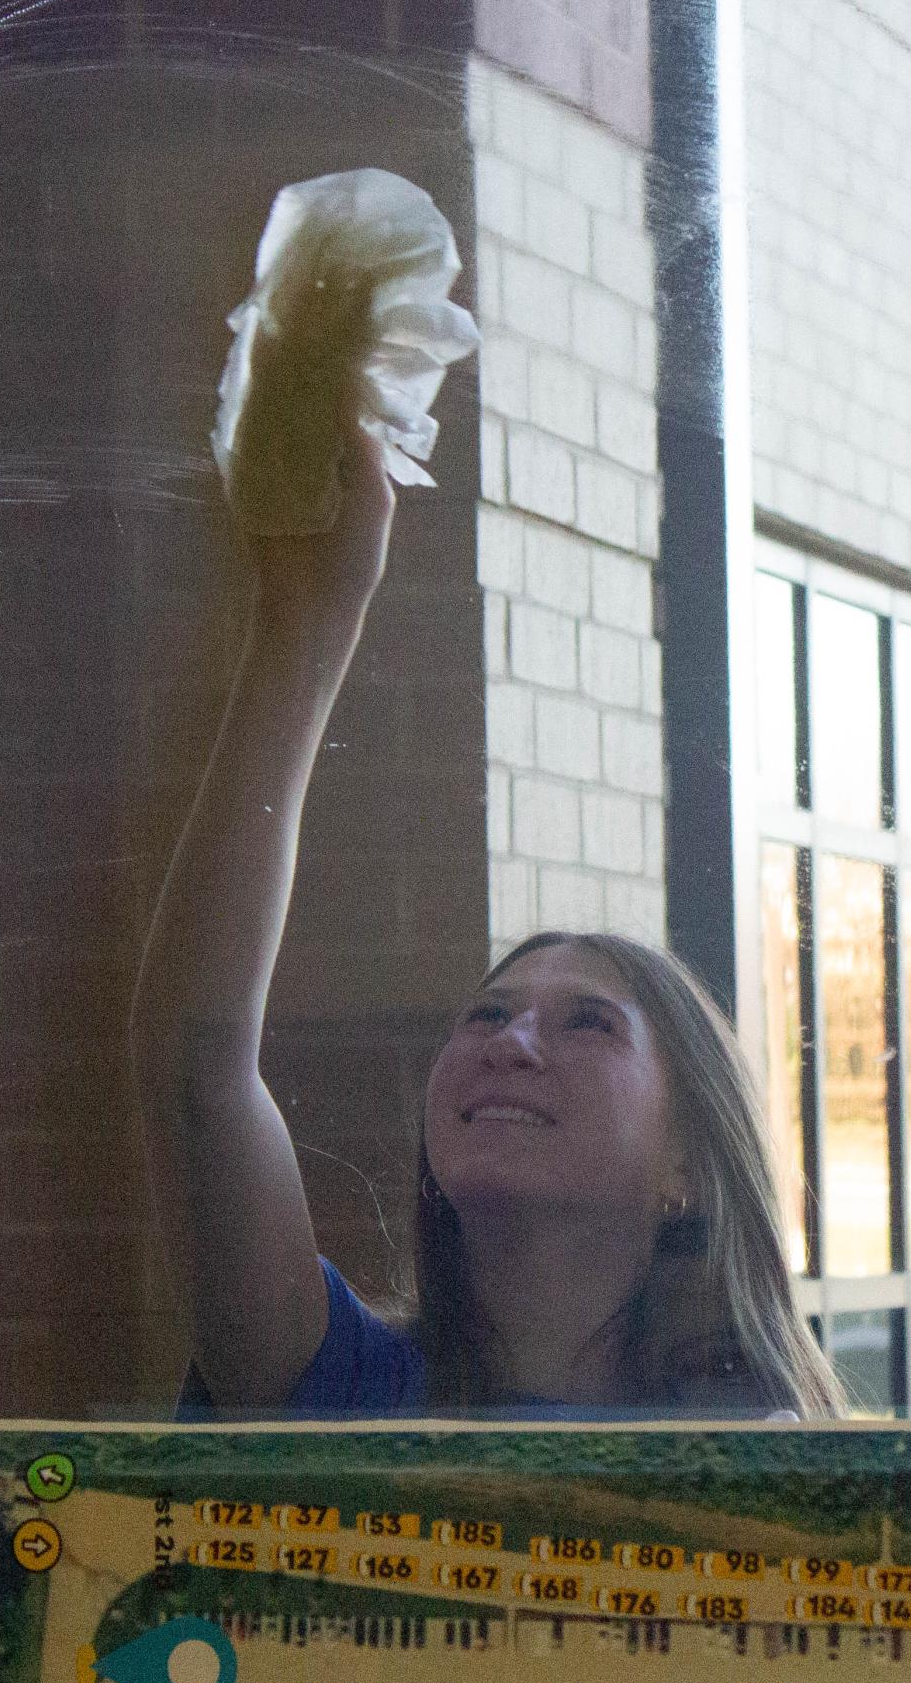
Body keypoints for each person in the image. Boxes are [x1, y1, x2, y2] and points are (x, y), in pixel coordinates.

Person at [130, 421, 845, 1419]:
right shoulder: (340, 1388)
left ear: (687, 1167)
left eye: (587, 1022)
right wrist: (303, 620)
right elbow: (195, 1069)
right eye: (484, 1015)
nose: (508, 1040)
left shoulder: (783, 1475)